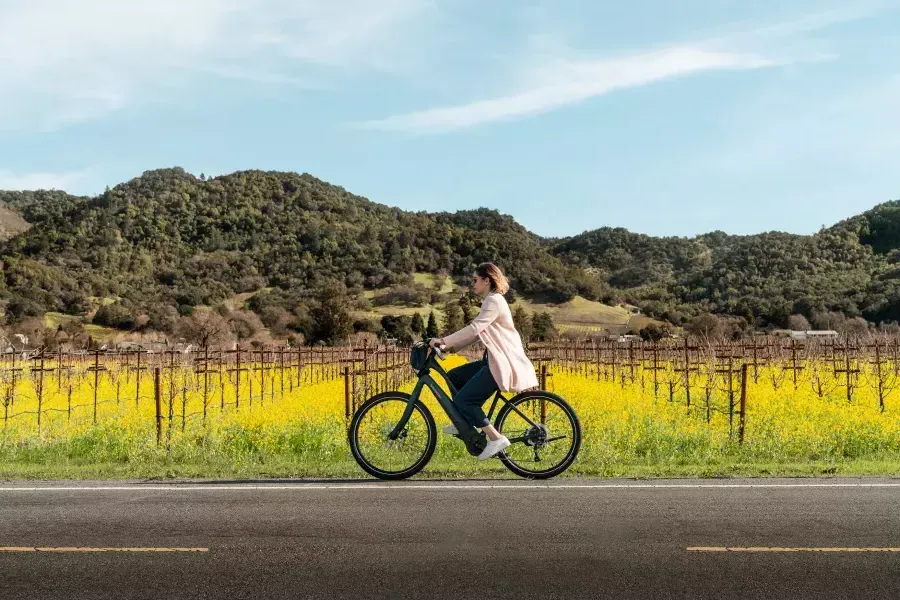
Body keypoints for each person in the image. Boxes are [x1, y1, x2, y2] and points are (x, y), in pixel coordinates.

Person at [429, 263, 539, 460]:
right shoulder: (492, 301)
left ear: (486, 280)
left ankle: (496, 438)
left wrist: (443, 340)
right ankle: (464, 422)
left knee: (464, 400)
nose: (472, 284)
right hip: (492, 361)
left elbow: (474, 329)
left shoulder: (494, 301)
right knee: (454, 377)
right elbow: (477, 333)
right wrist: (449, 348)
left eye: (475, 280)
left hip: (501, 362)